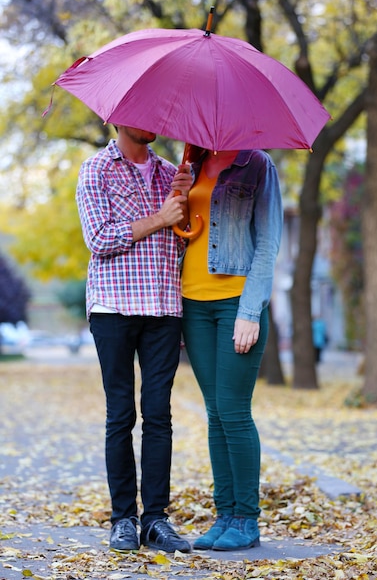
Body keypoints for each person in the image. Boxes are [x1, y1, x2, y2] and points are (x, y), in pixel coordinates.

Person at [75, 126, 193, 554]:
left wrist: (187, 200)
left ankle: (156, 518)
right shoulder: (96, 170)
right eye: (145, 115)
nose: (156, 123)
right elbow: (100, 239)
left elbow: (187, 240)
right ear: (121, 118)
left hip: (163, 307)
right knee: (120, 415)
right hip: (114, 308)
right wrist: (161, 217)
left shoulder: (171, 173)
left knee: (159, 416)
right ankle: (123, 518)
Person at [181, 148, 283, 551]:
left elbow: (269, 242)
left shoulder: (258, 165)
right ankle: (224, 516)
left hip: (236, 301)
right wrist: (178, 196)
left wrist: (250, 311)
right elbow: (187, 232)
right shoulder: (191, 162)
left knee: (234, 411)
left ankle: (246, 520)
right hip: (192, 302)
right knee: (214, 412)